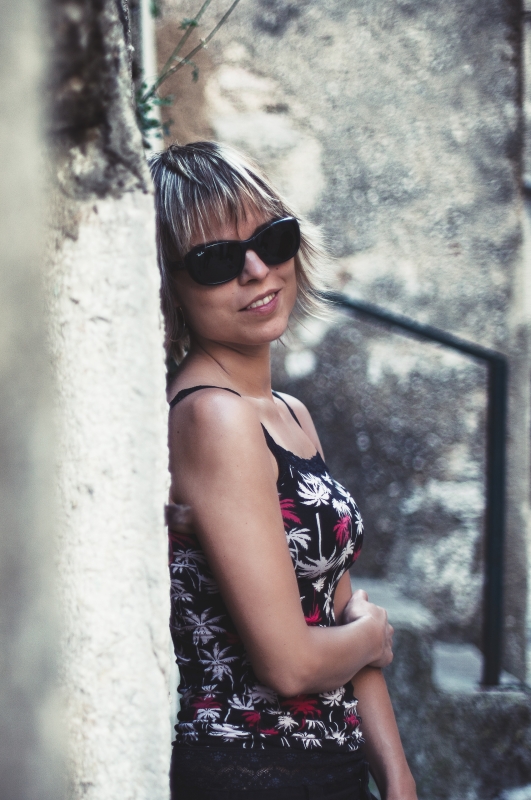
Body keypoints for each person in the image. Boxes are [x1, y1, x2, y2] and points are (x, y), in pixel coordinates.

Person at [153, 141, 418, 800]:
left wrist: (396, 776)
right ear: (168, 286)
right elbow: (290, 663)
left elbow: (337, 604)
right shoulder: (211, 417)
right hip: (250, 770)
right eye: (215, 260)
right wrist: (371, 637)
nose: (256, 270)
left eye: (272, 240)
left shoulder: (289, 413)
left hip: (328, 763)